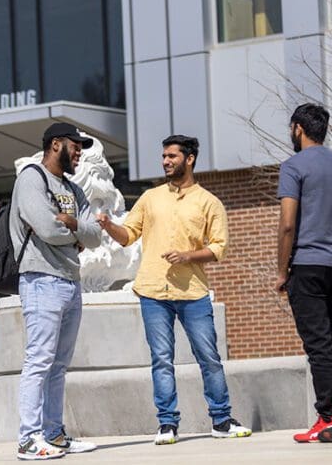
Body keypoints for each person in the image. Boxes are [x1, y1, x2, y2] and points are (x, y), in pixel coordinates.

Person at [96, 135, 252, 445]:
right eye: (164, 156)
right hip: (154, 291)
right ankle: (167, 424)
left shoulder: (209, 203)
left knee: (208, 357)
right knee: (162, 360)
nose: (165, 161)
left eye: (172, 156)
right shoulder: (151, 197)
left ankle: (221, 420)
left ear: (189, 159)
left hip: (193, 293)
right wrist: (107, 225)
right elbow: (128, 235)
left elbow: (219, 248)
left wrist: (188, 256)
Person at [10, 123, 102, 460]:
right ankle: (28, 439)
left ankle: (53, 433)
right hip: (41, 280)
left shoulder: (74, 192)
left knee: (59, 364)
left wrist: (74, 224)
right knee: (39, 361)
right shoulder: (32, 178)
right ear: (56, 144)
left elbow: (95, 235)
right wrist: (71, 231)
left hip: (70, 281)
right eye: (76, 146)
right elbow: (47, 228)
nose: (79, 152)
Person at [275, 104, 332, 444]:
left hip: (308, 265)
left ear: (297, 128)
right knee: (331, 340)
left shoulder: (293, 166)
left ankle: (327, 415)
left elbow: (286, 225)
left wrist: (281, 272)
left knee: (317, 345)